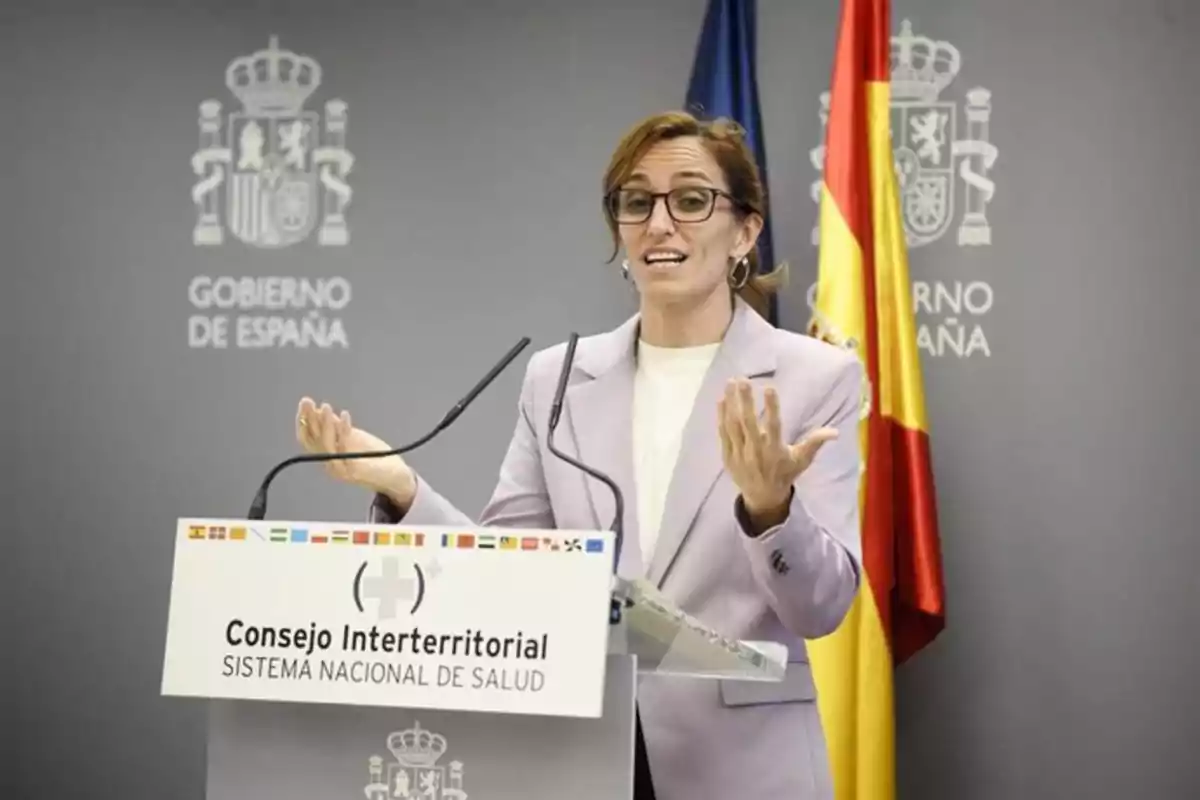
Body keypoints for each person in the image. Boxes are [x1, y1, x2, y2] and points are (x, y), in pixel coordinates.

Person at [296, 110, 863, 800]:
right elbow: (507, 575)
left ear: (744, 230)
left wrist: (773, 510)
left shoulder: (815, 378)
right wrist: (405, 488)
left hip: (740, 770)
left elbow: (823, 609)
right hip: (582, 762)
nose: (659, 224)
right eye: (636, 201)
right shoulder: (559, 376)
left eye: (690, 200)